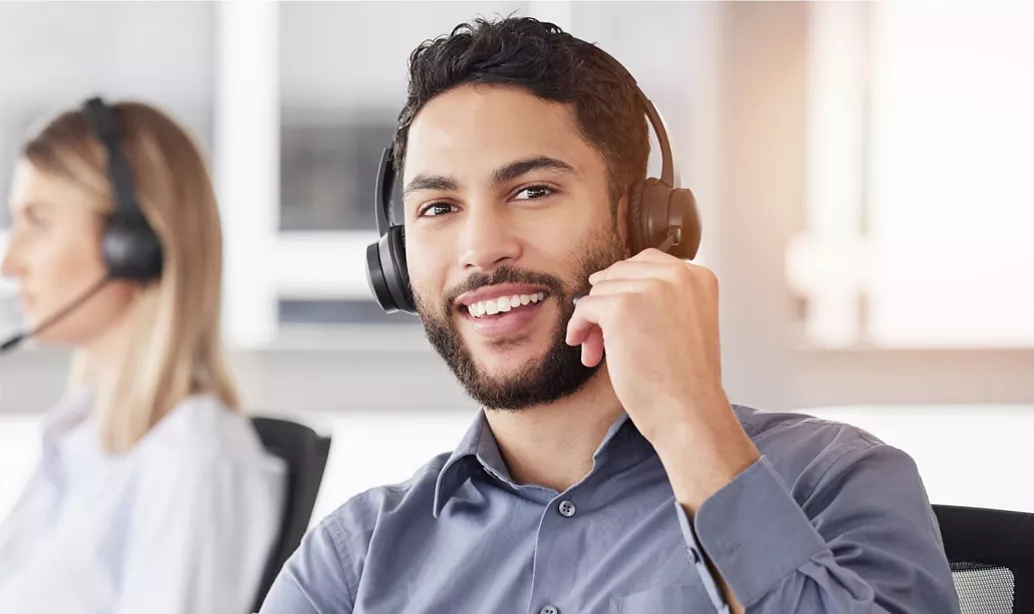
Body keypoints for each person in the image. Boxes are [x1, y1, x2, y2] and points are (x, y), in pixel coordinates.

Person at [261, 17, 961, 614]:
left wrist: (691, 422)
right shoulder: (353, 562)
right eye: (438, 209)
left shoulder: (835, 482)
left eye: (533, 191)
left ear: (646, 224)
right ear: (395, 259)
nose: (481, 250)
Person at [0, 98, 286, 614]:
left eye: (38, 223)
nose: (9, 263)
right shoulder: (82, 438)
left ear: (133, 247)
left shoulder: (193, 461)